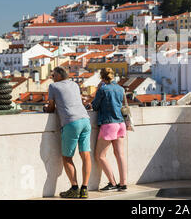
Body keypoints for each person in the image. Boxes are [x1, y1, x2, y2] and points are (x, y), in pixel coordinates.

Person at [44, 67, 91, 199]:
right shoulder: (75, 84)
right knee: (85, 156)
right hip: (85, 120)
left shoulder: (53, 86)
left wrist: (46, 108)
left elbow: (51, 107)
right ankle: (85, 189)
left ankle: (74, 188)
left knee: (67, 157)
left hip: (71, 122)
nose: (52, 76)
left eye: (53, 74)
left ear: (59, 75)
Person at [92, 68, 128, 192]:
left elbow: (95, 106)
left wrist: (98, 89)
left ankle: (112, 183)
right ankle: (123, 183)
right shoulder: (121, 89)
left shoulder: (103, 89)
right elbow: (123, 106)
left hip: (109, 124)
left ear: (102, 78)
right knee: (120, 154)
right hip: (121, 123)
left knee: (100, 155)